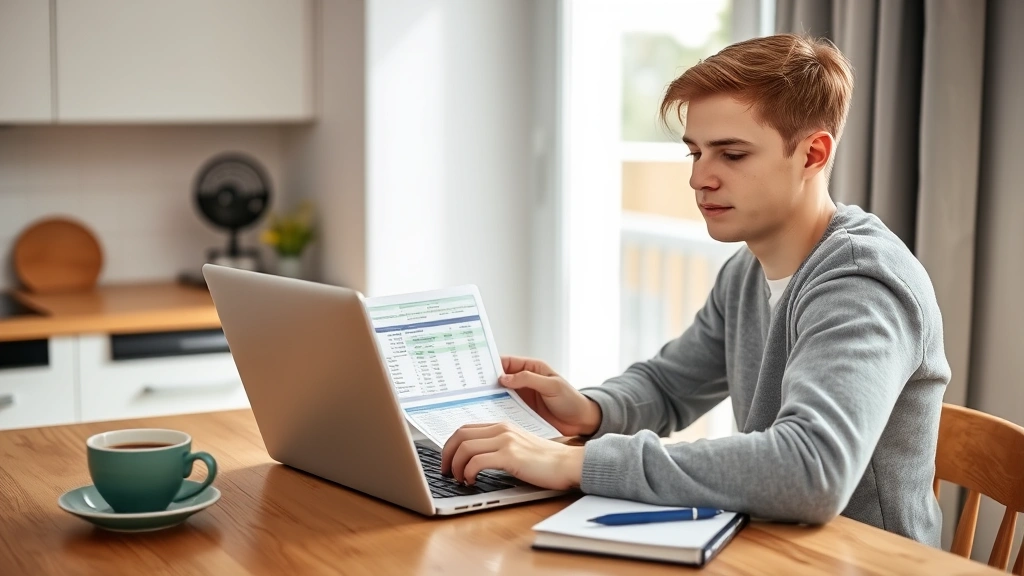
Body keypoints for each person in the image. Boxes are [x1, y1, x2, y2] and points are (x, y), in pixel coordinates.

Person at [440, 33, 950, 547]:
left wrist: (575, 461)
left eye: (731, 154)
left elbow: (811, 468)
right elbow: (669, 386)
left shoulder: (862, 282)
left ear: (813, 154)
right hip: (774, 548)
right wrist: (589, 410)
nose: (699, 179)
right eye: (695, 152)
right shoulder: (746, 271)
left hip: (866, 561)